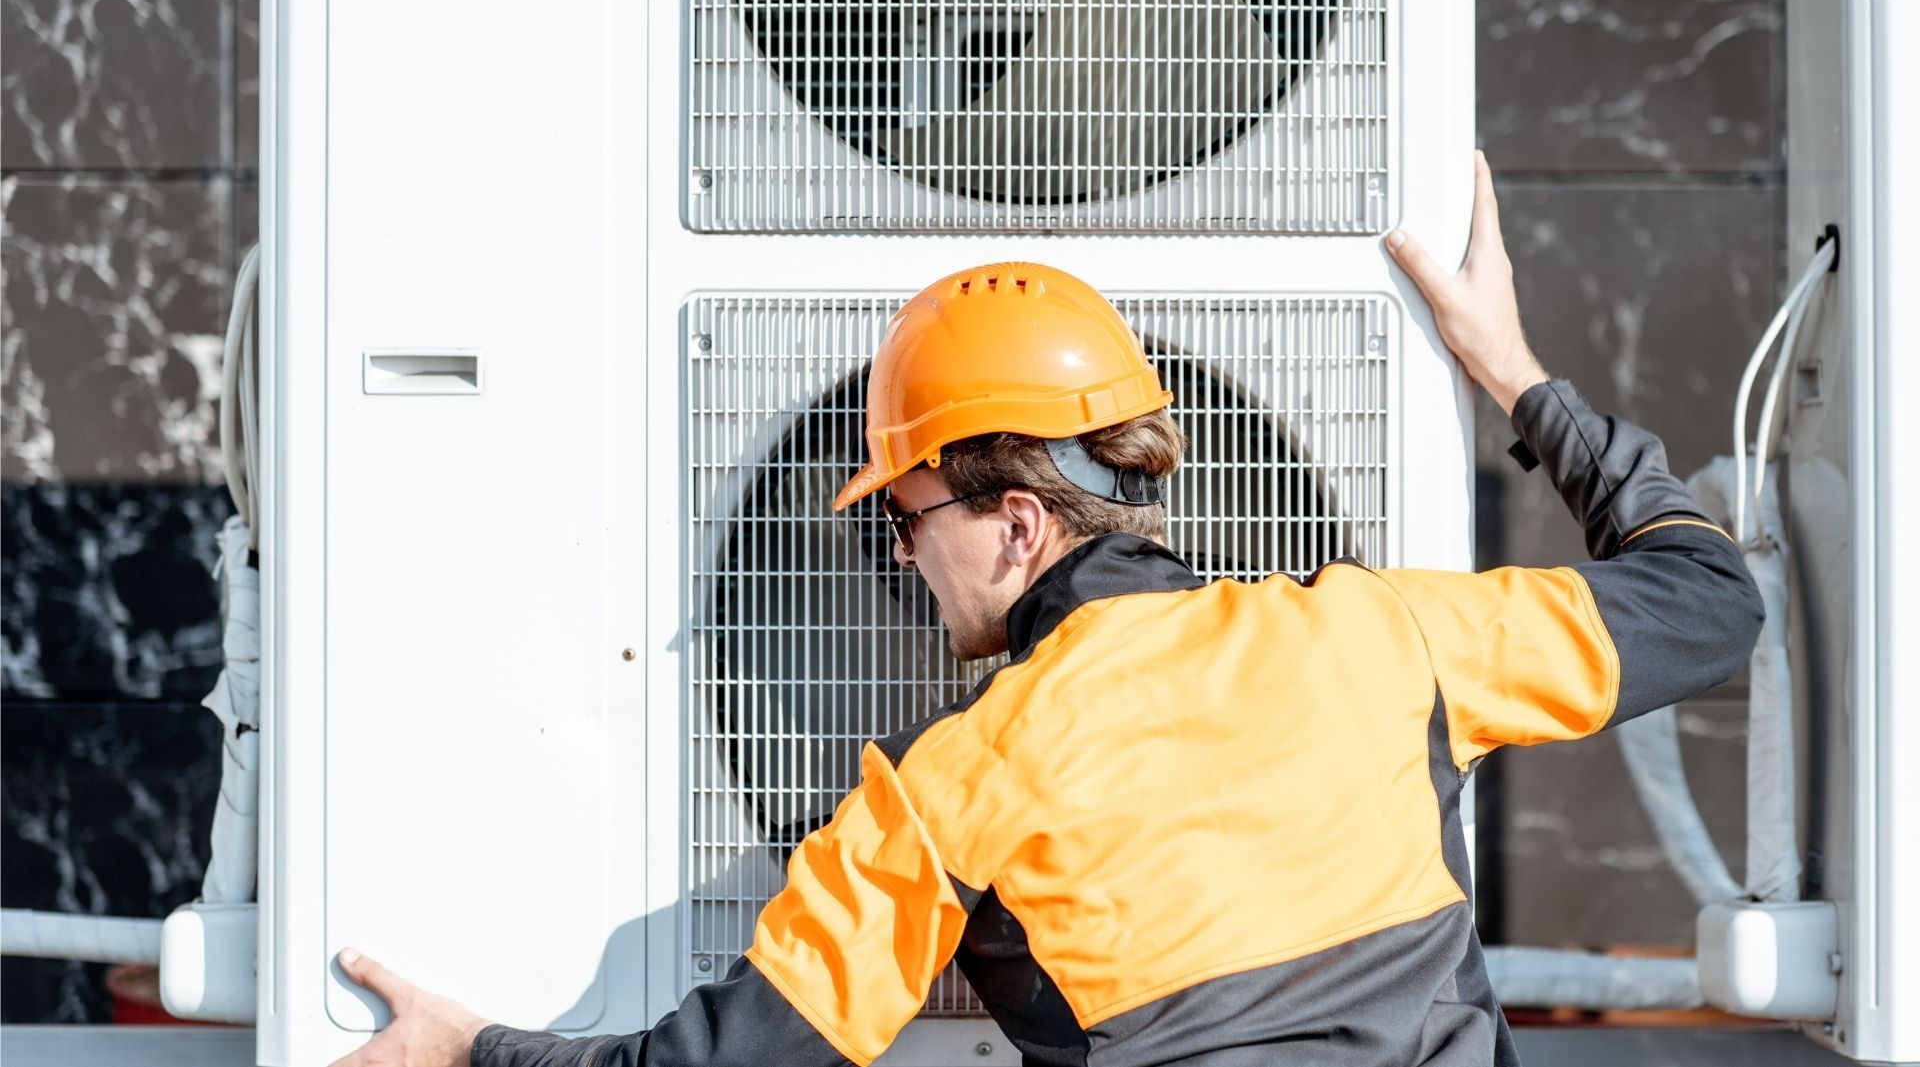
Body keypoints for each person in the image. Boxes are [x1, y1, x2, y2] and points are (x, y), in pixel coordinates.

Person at [330, 154, 1762, 1067]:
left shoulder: (952, 787)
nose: (901, 558)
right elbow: (1708, 599)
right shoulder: (1381, 637)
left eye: (904, 519)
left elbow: (721, 1066)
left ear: (1017, 523)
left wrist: (470, 1050)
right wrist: (1509, 368)